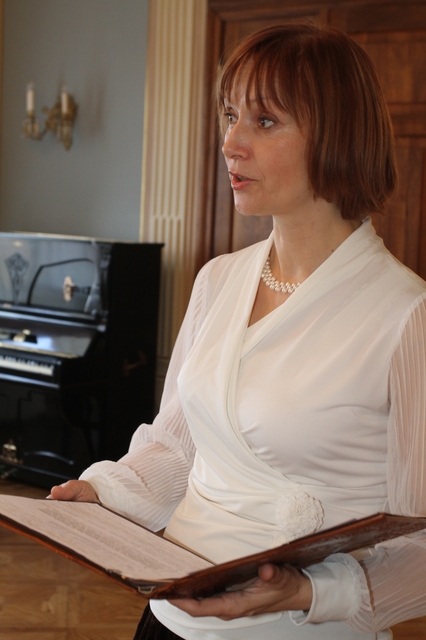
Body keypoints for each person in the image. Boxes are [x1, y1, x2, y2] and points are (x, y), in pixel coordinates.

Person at [49, 23, 426, 640]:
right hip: (170, 614)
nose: (230, 142)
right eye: (230, 116)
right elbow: (178, 450)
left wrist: (310, 590)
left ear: (338, 134)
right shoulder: (217, 280)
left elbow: (421, 541)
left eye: (264, 121)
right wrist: (100, 491)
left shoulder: (407, 315)